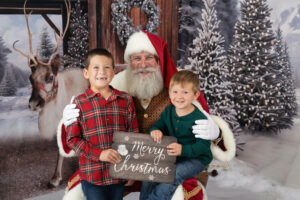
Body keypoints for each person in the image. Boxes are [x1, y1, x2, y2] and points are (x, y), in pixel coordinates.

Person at [59, 31, 235, 200]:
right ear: (129, 62)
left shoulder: (177, 89)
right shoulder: (115, 85)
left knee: (179, 193)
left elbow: (201, 117)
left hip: (167, 164)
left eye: (149, 58)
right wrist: (68, 122)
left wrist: (216, 132)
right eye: (137, 58)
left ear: (159, 60)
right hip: (116, 164)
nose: (143, 64)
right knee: (78, 191)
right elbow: (80, 130)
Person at [65, 48, 139, 200]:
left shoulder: (125, 100)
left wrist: (131, 170)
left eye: (107, 67)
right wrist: (100, 154)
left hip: (118, 174)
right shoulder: (79, 103)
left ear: (113, 73)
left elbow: (133, 136)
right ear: (86, 73)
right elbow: (73, 140)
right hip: (93, 176)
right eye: (96, 67)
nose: (102, 72)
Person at [140, 70, 213, 200]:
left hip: (196, 159)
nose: (179, 96)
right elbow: (159, 126)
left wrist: (183, 149)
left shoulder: (199, 119)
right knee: (150, 173)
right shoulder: (168, 111)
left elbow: (203, 146)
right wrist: (155, 130)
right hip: (173, 157)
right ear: (169, 93)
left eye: (185, 92)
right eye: (175, 92)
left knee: (172, 174)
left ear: (195, 95)